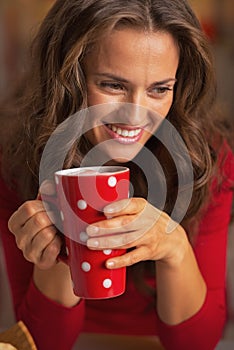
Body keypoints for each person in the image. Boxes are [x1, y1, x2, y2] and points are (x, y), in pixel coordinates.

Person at [0, 0, 233, 349]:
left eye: (159, 89)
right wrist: (60, 251)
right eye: (113, 85)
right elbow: (43, 343)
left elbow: (196, 344)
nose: (136, 115)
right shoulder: (15, 158)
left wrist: (174, 249)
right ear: (69, 77)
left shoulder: (209, 159)